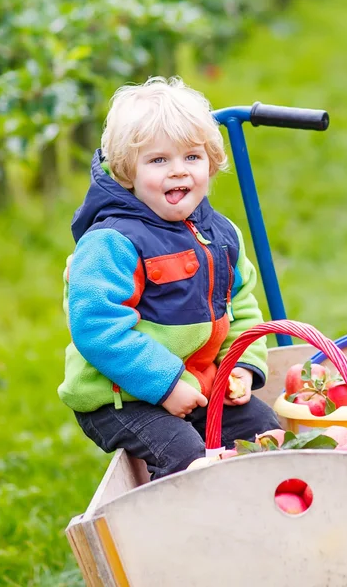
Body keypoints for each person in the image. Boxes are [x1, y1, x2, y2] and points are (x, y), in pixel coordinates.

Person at [58, 76, 281, 480]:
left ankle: (263, 513)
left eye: (192, 158)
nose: (178, 172)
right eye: (159, 160)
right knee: (187, 459)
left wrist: (240, 366)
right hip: (122, 396)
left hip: (196, 382)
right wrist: (166, 385)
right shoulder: (114, 241)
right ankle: (186, 533)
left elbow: (242, 304)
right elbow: (97, 328)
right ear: (128, 172)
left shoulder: (221, 234)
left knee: (263, 432)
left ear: (211, 164)